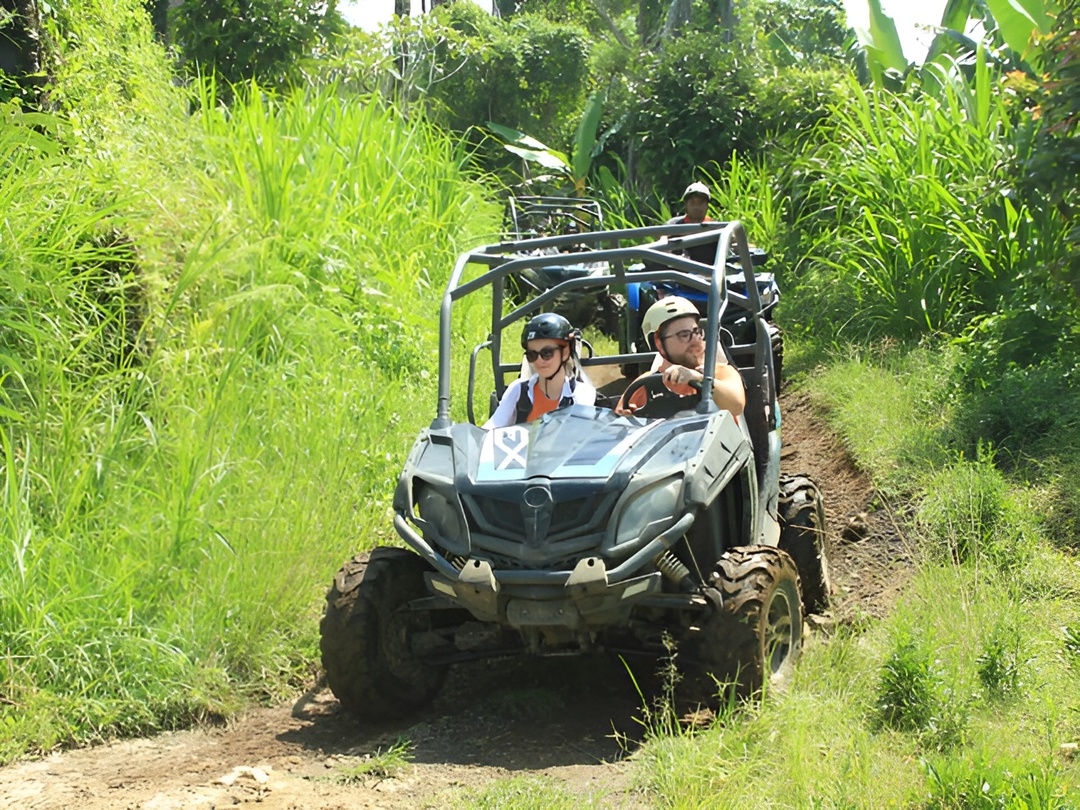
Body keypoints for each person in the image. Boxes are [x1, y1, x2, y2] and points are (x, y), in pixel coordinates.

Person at [616, 296, 745, 419]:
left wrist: (697, 378)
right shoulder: (644, 385)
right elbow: (617, 424)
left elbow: (736, 405)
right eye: (684, 335)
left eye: (697, 332)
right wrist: (628, 420)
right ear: (658, 343)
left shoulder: (721, 372)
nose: (695, 340)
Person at [483, 313, 597, 429]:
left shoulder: (581, 394)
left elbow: (578, 434)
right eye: (532, 355)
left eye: (547, 353)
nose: (539, 360)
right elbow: (493, 425)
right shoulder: (518, 390)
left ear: (565, 352)